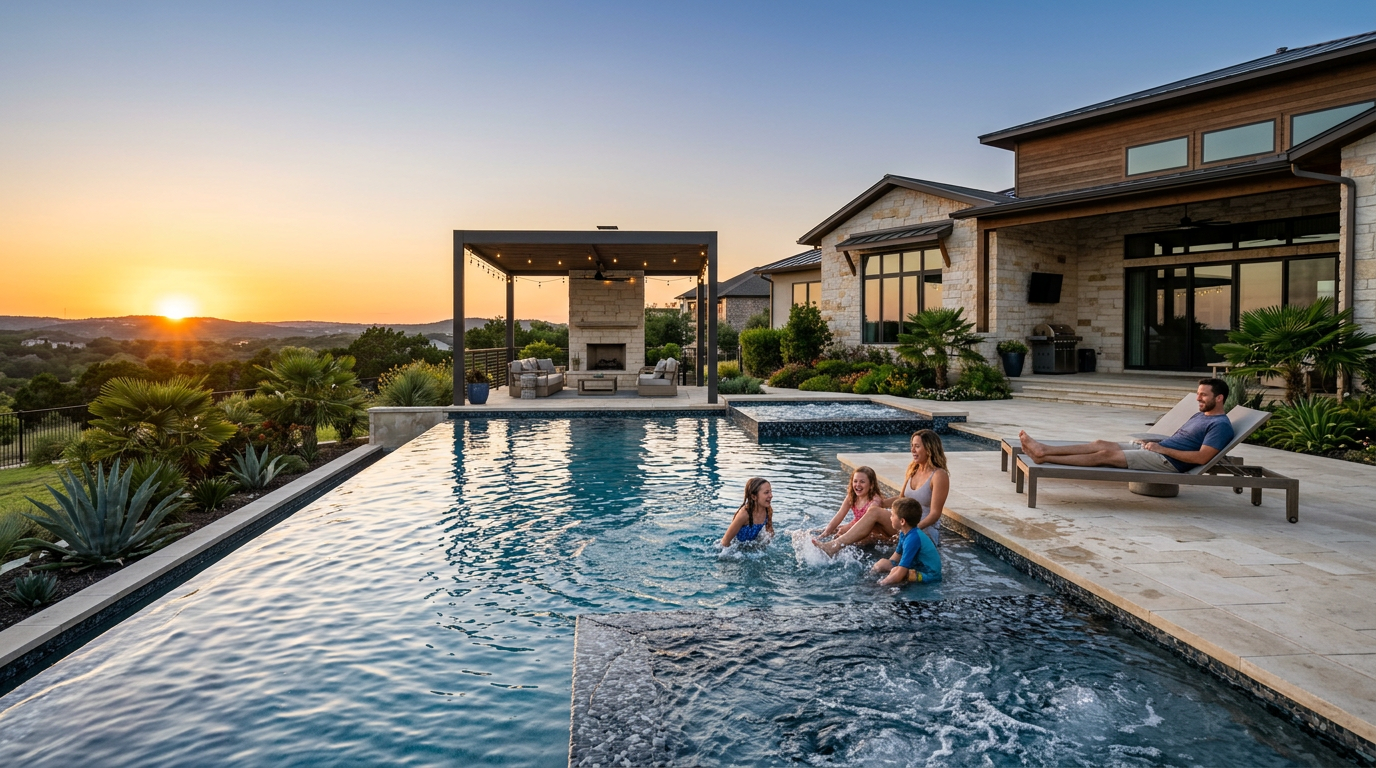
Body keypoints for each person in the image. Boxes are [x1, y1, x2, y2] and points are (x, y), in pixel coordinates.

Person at [1019, 378, 1235, 473]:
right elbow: (1182, 439)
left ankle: (1043, 457)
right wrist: (1153, 442)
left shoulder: (1220, 425)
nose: (1198, 399)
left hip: (1169, 462)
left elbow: (1202, 458)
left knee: (1105, 455)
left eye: (1203, 396)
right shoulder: (1201, 415)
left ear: (1219, 398)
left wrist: (1162, 449)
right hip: (1159, 450)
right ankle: (1044, 449)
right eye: (1198, 394)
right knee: (1100, 443)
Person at [882, 429, 949, 546]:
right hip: (904, 523)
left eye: (917, 446)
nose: (912, 450)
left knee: (875, 520)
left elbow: (935, 514)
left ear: (929, 449)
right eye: (912, 446)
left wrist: (912, 530)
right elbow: (901, 499)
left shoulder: (939, 475)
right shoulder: (913, 469)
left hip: (923, 529)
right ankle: (841, 542)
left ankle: (840, 544)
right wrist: (882, 503)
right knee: (872, 524)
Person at [812, 466, 888, 555]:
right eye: (855, 481)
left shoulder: (874, 501)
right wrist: (824, 534)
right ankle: (812, 537)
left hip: (872, 532)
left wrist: (847, 531)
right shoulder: (852, 496)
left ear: (871, 485)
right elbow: (840, 514)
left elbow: (867, 526)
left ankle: (833, 549)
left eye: (862, 482)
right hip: (856, 524)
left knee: (845, 536)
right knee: (835, 529)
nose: (858, 485)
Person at [872, 498, 941, 585]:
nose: (890, 518)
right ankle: (867, 581)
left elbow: (900, 573)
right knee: (882, 563)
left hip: (929, 575)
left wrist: (880, 584)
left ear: (902, 521)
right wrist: (883, 567)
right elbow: (895, 558)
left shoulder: (913, 539)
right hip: (917, 567)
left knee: (897, 572)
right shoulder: (904, 533)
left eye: (892, 515)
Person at [720, 477, 775, 547]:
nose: (771, 495)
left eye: (770, 491)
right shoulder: (744, 514)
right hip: (734, 548)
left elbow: (770, 533)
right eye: (766, 492)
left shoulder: (768, 510)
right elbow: (725, 542)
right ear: (754, 497)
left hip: (750, 548)